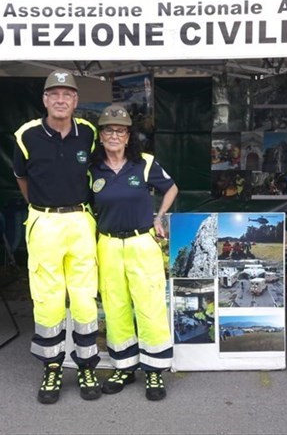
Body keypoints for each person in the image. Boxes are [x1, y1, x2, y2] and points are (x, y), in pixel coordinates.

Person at [13, 70, 101, 404]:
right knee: (47, 297)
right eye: (54, 94)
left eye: (67, 94)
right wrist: (42, 207)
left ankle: (86, 366)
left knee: (84, 296)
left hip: (80, 219)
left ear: (76, 100)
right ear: (45, 100)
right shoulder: (26, 135)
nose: (60, 100)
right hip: (44, 221)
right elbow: (22, 178)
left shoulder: (88, 132)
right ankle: (52, 367)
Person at [89, 104, 178, 401]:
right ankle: (124, 367)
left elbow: (172, 188)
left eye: (120, 131)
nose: (114, 135)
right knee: (115, 307)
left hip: (141, 243)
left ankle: (153, 370)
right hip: (108, 244)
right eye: (108, 130)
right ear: (101, 136)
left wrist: (159, 216)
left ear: (128, 136)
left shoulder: (145, 163)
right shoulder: (92, 169)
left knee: (150, 304)